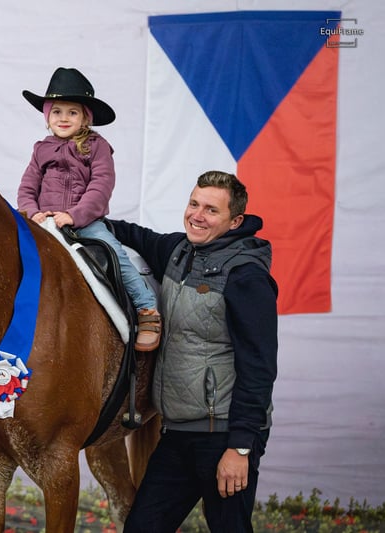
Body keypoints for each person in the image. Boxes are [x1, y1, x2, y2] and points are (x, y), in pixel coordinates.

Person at [112, 171, 279, 532]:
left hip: (224, 436)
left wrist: (240, 449)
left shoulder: (246, 277)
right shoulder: (178, 252)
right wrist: (77, 219)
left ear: (235, 221)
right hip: (177, 432)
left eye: (211, 210)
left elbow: (259, 368)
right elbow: (133, 234)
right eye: (193, 204)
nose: (197, 216)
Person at [17, 66, 161, 351]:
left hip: (85, 223)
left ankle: (147, 309)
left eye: (72, 112)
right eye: (57, 112)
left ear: (85, 118)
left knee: (115, 255)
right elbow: (26, 188)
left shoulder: (97, 147)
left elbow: (101, 186)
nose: (63, 118)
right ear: (47, 116)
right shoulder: (41, 150)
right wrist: (33, 213)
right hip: (45, 223)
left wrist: (74, 215)